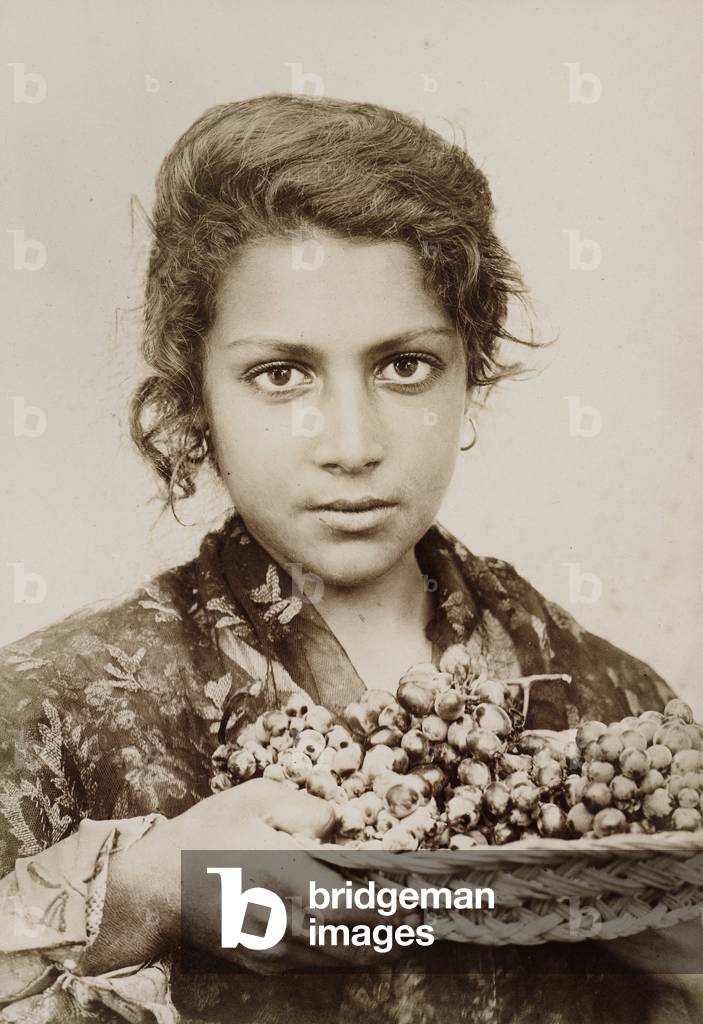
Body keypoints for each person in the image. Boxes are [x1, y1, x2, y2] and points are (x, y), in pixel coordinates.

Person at [0, 94, 699, 1024]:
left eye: (403, 364)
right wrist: (140, 898)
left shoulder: (616, 706)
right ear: (194, 393)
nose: (351, 442)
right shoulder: (55, 707)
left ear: (468, 372)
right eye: (280, 374)